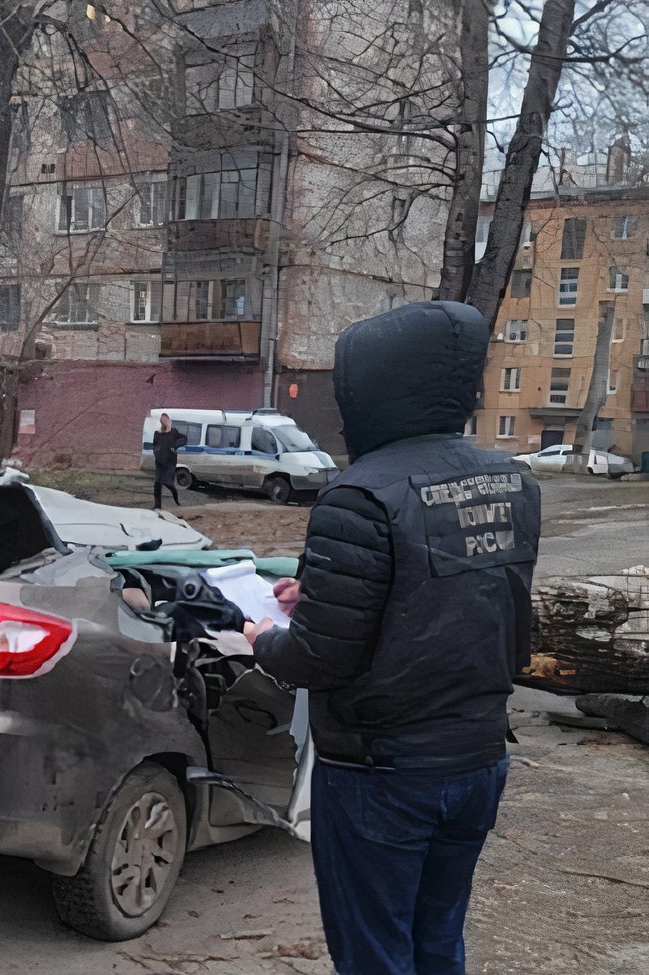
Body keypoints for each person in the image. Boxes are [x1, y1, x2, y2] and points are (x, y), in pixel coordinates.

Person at [243, 301, 541, 975]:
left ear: (372, 389)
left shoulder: (357, 495)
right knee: (437, 941)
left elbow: (316, 656)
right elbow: (474, 600)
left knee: (375, 953)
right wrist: (322, 591)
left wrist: (264, 636)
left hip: (383, 775)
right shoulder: (513, 481)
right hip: (477, 760)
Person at [151, 413, 188, 509]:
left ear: (168, 420)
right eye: (162, 420)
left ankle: (175, 496)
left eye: (165, 420)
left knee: (168, 482)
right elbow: (154, 445)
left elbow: (184, 439)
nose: (163, 422)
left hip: (170, 461)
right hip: (159, 461)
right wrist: (156, 450)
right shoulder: (157, 433)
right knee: (157, 483)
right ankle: (157, 506)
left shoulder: (173, 432)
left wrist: (176, 444)